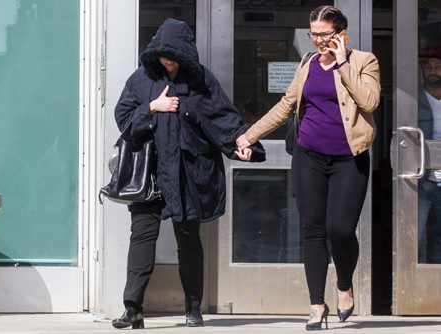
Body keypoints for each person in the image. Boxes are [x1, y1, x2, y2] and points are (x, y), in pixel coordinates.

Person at [110, 18, 265, 329]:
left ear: (185, 54)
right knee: (142, 237)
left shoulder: (201, 80)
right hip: (150, 177)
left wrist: (244, 146)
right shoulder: (141, 79)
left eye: (175, 55)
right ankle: (133, 308)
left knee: (188, 240)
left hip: (187, 174)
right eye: (164, 55)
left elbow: (223, 118)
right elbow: (123, 120)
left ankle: (193, 308)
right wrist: (152, 107)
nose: (168, 61)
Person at [236, 5, 380, 331]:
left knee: (340, 229)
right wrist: (248, 134)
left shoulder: (363, 61)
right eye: (313, 34)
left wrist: (342, 64)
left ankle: (344, 284)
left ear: (341, 33)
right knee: (312, 230)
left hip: (349, 158)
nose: (318, 41)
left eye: (324, 34)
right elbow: (285, 106)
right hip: (309, 156)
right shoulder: (308, 64)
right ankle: (317, 305)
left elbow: (369, 102)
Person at [418, 46, 441, 264]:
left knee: (439, 237)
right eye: (428, 66)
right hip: (421, 177)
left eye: (438, 66)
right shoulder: (413, 98)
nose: (433, 70)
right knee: (415, 236)